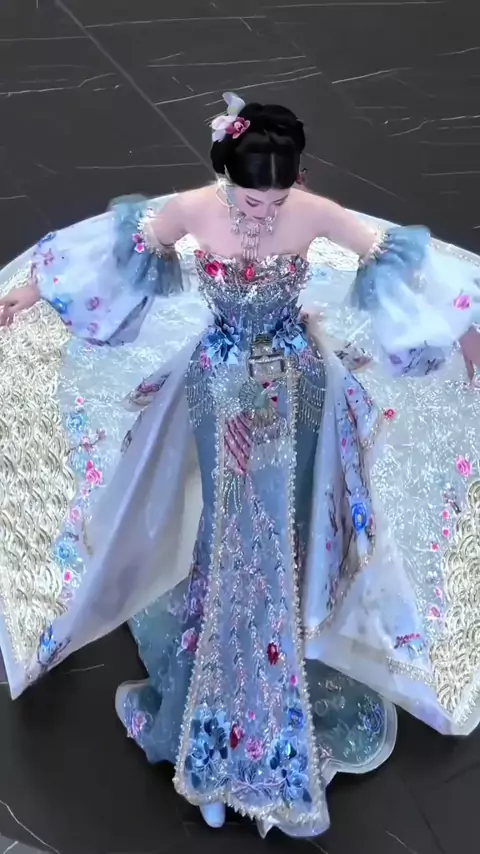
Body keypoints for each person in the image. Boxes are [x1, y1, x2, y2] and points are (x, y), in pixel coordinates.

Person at [1, 92, 480, 838]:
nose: (264, 211)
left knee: (282, 534)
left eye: (278, 197)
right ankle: (216, 707)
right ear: (228, 175)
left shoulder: (313, 212)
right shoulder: (195, 209)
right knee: (229, 536)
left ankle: (267, 683)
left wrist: (465, 330)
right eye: (253, 197)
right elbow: (114, 256)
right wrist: (30, 291)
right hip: (220, 389)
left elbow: (399, 265)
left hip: (294, 389)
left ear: (297, 179)